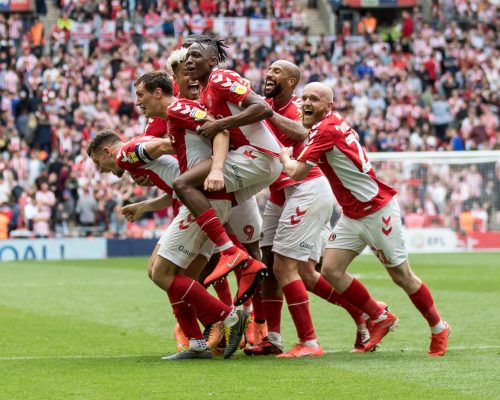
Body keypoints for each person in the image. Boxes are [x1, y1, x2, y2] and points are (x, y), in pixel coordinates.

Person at [279, 82, 450, 356]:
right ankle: (379, 316)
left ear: (328, 106)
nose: (307, 103)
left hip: (377, 211)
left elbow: (296, 172)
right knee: (331, 270)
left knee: (402, 276)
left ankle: (439, 328)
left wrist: (284, 157)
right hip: (352, 213)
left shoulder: (324, 130)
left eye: (314, 99)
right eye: (304, 98)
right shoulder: (329, 124)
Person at [246, 60, 378, 357]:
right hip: (280, 193)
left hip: (306, 187)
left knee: (287, 268)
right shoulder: (264, 104)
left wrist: (267, 113)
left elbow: (305, 133)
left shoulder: (298, 107)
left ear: (291, 82)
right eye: (269, 70)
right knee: (280, 269)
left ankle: (310, 341)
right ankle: (274, 338)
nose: (269, 74)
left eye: (277, 71)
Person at [87, 128, 248, 361]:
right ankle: (197, 344)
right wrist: (144, 206)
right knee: (180, 280)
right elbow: (174, 183)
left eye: (98, 162)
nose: (101, 170)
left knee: (160, 272)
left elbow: (166, 145)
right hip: (207, 203)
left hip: (199, 206)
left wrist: (203, 152)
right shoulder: (137, 156)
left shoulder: (127, 153)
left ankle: (230, 317)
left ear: (107, 151)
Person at [178, 37, 282, 290]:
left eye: (196, 55)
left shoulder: (218, 78)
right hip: (257, 162)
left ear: (212, 61)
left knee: (185, 185)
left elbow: (263, 108)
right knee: (215, 204)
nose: (189, 60)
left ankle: (228, 251)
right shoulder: (204, 92)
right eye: (187, 56)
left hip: (259, 156)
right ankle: (245, 274)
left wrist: (220, 124)